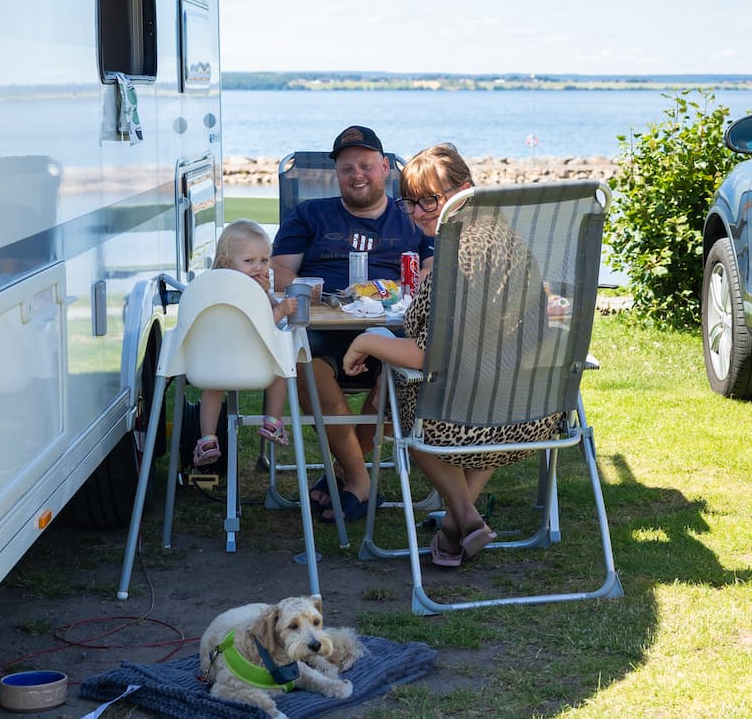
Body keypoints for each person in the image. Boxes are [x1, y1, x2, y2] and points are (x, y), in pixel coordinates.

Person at [341, 143, 562, 567]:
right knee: (459, 389)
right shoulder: (513, 243)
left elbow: (427, 357)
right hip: (530, 415)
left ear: (464, 192)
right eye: (410, 202)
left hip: (463, 424)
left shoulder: (454, 259)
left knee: (406, 398)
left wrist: (365, 342)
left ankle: (462, 515)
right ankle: (458, 526)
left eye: (431, 199)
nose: (419, 212)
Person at [269, 125, 432, 523]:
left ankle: (345, 474)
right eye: (346, 168)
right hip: (326, 326)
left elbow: (432, 270)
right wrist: (318, 292)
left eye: (365, 165)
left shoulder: (410, 215)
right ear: (336, 174)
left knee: (400, 377)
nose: (357, 175)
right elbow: (278, 272)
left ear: (385, 168)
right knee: (305, 368)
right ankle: (360, 478)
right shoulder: (309, 214)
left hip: (393, 329)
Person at [192, 220, 301, 469]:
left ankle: (207, 439)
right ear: (226, 260)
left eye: (264, 260)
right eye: (249, 261)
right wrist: (282, 310)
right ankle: (272, 422)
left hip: (215, 361)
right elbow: (262, 325)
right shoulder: (240, 290)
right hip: (254, 363)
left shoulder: (211, 285)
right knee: (282, 369)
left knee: (212, 389)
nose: (258, 267)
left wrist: (265, 293)